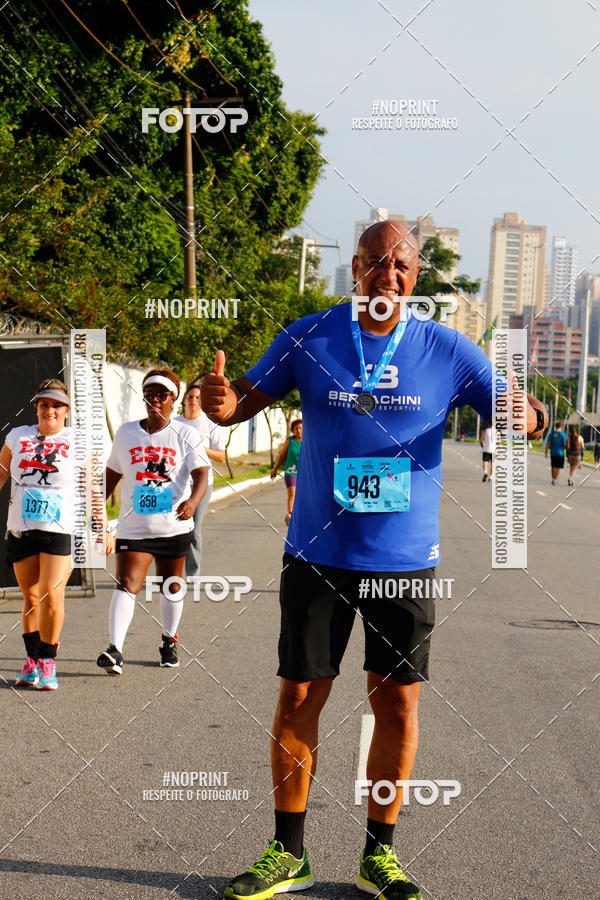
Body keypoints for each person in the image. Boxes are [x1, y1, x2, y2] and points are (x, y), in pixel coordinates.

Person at [202, 219, 547, 900]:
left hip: (403, 560)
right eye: (375, 262)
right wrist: (217, 402)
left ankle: (378, 856)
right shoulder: (310, 335)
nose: (388, 274)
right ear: (354, 267)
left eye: (402, 265)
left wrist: (526, 416)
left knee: (396, 707)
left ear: (415, 277)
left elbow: (523, 406)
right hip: (317, 553)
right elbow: (241, 398)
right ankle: (287, 851)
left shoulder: (447, 348)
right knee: (299, 695)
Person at [97, 368, 209, 675]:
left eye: (162, 395)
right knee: (127, 584)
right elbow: (111, 475)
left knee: (170, 586)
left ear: (174, 399)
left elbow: (202, 475)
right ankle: (115, 649)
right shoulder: (126, 432)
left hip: (173, 526)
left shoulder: (186, 434)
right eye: (150, 394)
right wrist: (97, 514)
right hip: (134, 528)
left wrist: (192, 501)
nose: (156, 400)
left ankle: (168, 641)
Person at [0, 380, 74, 690]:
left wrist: (104, 529)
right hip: (21, 528)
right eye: (44, 404)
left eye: (57, 405)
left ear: (66, 411)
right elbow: (2, 472)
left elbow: (93, 489)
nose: (50, 410)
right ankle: (31, 662)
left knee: (50, 596)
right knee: (30, 598)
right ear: (36, 408)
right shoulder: (18, 436)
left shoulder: (78, 440)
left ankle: (47, 661)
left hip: (58, 531)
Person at [175, 383, 226, 577]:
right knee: (174, 528)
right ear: (184, 401)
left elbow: (221, 455)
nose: (193, 400)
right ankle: (173, 571)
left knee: (194, 528)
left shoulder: (209, 424)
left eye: (197, 397)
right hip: (178, 483)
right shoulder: (174, 423)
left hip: (202, 484)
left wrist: (199, 448)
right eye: (190, 397)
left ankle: (193, 573)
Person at [271, 419, 302, 524]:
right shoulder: (290, 440)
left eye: (301, 428)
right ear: (293, 430)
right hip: (290, 471)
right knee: (292, 492)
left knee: (301, 495)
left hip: (303, 473)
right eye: (296, 428)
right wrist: (274, 470)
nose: (298, 430)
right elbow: (282, 456)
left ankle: (300, 515)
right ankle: (290, 515)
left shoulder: (307, 441)